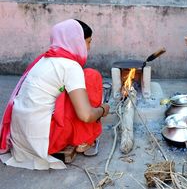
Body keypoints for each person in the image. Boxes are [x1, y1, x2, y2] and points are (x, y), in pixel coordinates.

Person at [0, 19, 110, 169]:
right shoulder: (71, 66)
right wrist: (103, 110)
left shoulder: (44, 60)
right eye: (88, 42)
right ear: (76, 42)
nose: (89, 47)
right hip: (44, 142)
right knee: (91, 76)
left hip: (20, 140)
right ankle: (85, 139)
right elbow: (86, 115)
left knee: (72, 92)